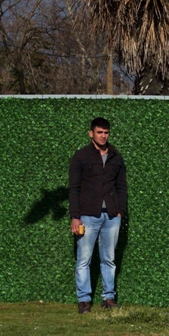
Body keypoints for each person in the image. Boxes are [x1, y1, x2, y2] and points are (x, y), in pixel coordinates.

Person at [69, 117, 128, 313]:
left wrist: (121, 211)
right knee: (84, 258)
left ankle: (108, 298)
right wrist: (75, 216)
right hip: (87, 215)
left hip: (112, 216)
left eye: (106, 132)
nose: (103, 136)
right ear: (91, 133)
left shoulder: (116, 157)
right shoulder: (80, 157)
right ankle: (84, 300)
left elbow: (121, 186)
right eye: (100, 132)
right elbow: (74, 188)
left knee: (109, 258)